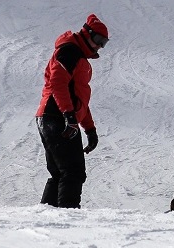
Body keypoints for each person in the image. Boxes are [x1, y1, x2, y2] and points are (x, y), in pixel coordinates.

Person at [35, 14, 109, 208]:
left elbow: (80, 99)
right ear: (87, 34)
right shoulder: (70, 51)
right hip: (56, 115)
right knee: (73, 171)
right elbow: (57, 83)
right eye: (99, 40)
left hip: (55, 115)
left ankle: (48, 215)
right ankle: (67, 216)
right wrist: (68, 115)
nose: (100, 46)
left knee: (61, 172)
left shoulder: (78, 56)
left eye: (104, 43)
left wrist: (89, 129)